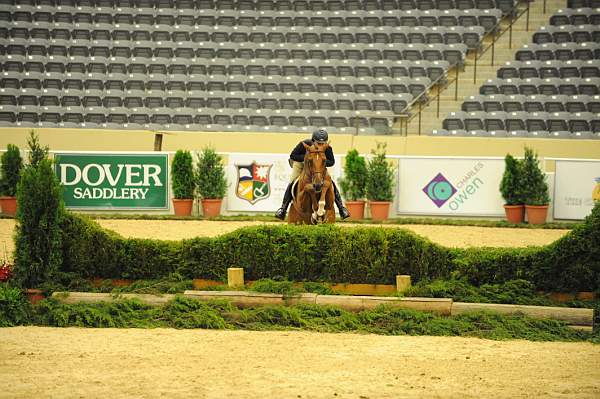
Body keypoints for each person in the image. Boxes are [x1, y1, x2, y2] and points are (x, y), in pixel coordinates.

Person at [275, 128, 350, 220]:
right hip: (301, 164)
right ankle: (283, 209)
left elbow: (332, 162)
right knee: (292, 182)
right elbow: (293, 156)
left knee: (331, 182)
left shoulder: (328, 148)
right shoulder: (304, 144)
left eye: (323, 143)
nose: (321, 145)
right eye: (319, 143)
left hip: (318, 167)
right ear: (313, 141)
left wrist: (319, 162)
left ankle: (341, 208)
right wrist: (308, 158)